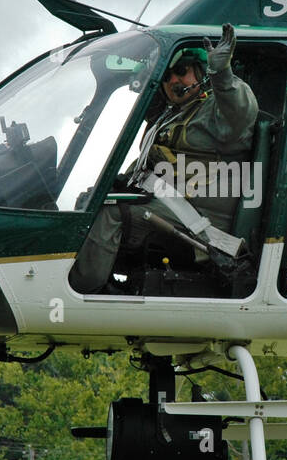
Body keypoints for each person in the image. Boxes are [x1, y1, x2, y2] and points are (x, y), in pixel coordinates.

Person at [69, 24, 258, 294]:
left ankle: (80, 292)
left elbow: (241, 114)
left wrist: (222, 75)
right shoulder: (170, 117)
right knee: (91, 200)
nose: (173, 81)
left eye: (181, 71)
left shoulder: (214, 112)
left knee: (110, 212)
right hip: (168, 210)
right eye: (167, 76)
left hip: (204, 227)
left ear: (200, 72)